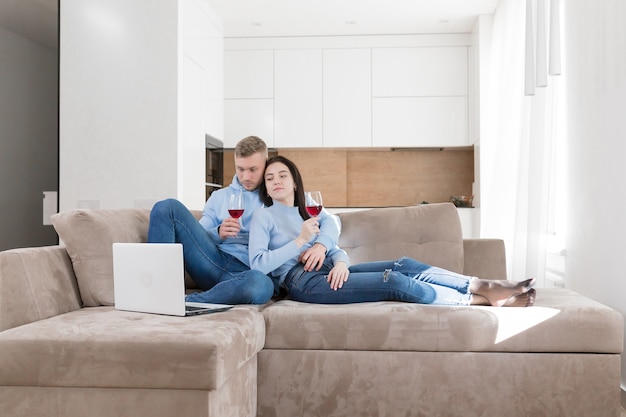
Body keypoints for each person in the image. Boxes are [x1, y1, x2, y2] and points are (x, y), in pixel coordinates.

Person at [249, 155, 536, 307]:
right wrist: (299, 241)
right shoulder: (263, 217)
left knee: (404, 264)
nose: (276, 181)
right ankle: (480, 299)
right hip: (302, 282)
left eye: (282, 175)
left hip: (329, 268)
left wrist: (336, 258)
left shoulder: (309, 207)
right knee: (393, 281)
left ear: (295, 182)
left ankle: (481, 285)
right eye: (270, 177)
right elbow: (258, 264)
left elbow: (333, 232)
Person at [147, 136, 341, 305]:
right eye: (240, 169)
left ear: (266, 164)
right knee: (167, 207)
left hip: (252, 273)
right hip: (213, 262)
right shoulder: (219, 197)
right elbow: (196, 236)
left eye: (253, 170)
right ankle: (157, 293)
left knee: (259, 284)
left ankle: (189, 302)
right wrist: (218, 232)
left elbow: (332, 221)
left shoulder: (283, 193)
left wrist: (321, 246)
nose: (245, 177)